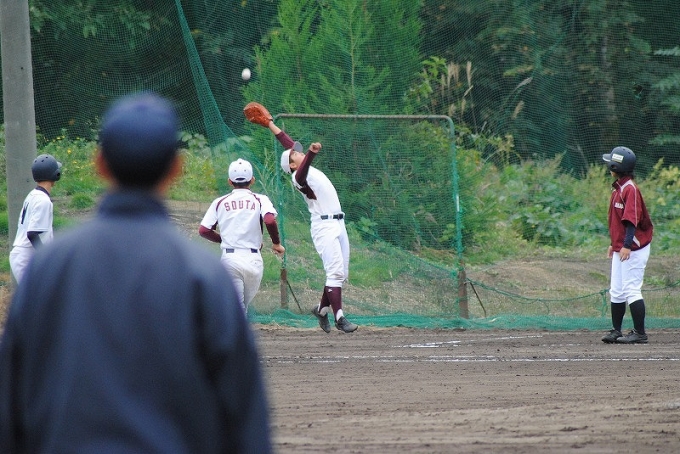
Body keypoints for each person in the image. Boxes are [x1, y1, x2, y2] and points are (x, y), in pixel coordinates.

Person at [0, 92, 272, 453]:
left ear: (100, 164)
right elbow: (243, 417)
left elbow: (12, 403)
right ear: (175, 168)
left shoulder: (50, 267)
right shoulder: (205, 276)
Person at [245, 108, 357, 333]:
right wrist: (312, 153)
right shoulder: (298, 177)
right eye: (295, 154)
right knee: (335, 273)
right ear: (293, 165)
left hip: (338, 224)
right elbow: (301, 170)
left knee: (340, 274)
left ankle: (321, 310)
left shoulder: (303, 167)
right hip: (324, 226)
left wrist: (270, 125)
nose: (298, 152)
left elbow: (288, 143)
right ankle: (340, 317)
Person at [199, 158, 285, 312]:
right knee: (241, 309)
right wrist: (276, 243)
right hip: (253, 260)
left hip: (230, 259)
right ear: (252, 180)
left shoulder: (219, 202)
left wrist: (223, 239)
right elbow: (270, 220)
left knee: (236, 308)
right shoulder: (260, 199)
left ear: (229, 181)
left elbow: (204, 230)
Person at [600, 146, 653, 344]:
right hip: (622, 245)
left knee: (631, 288)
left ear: (616, 168)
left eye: (610, 164)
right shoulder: (619, 189)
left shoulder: (630, 189)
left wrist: (627, 245)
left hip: (634, 247)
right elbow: (618, 223)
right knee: (616, 290)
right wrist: (613, 244)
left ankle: (640, 333)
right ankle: (616, 330)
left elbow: (631, 221)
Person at [8, 153, 62, 284]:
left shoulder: (33, 195)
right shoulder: (43, 201)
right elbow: (32, 233)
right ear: (55, 175)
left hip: (24, 256)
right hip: (26, 259)